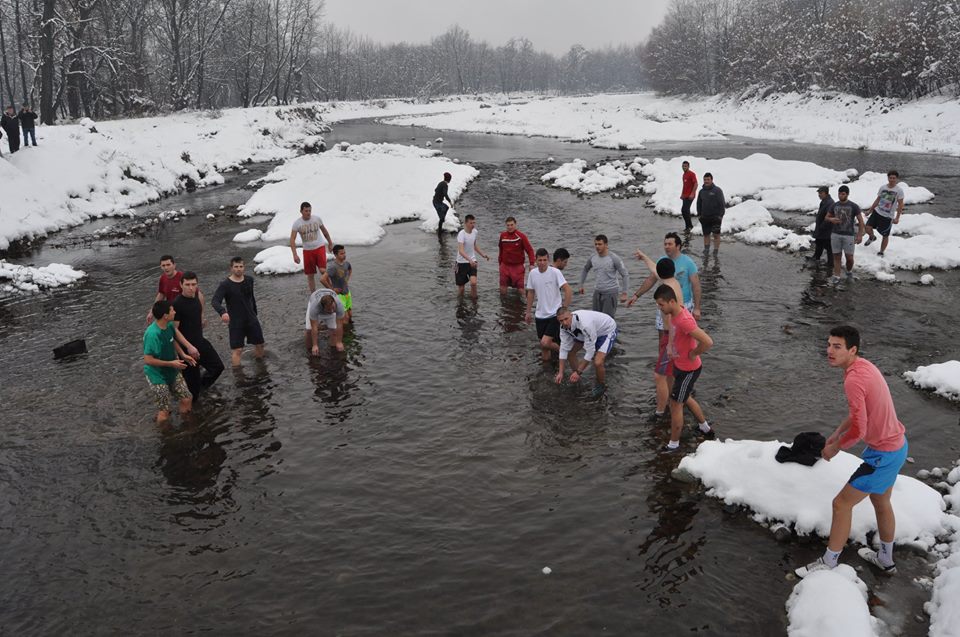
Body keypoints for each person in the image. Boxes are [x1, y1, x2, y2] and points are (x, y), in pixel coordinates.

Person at [796, 326, 908, 578]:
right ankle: (886, 561)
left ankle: (829, 562)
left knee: (841, 504)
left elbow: (860, 428)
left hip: (882, 455)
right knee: (881, 502)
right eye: (828, 345)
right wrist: (836, 433)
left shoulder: (854, 379)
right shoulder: (863, 366)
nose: (829, 351)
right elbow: (859, 414)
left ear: (852, 350)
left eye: (837, 347)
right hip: (898, 446)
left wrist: (835, 448)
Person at [654, 285, 715, 451]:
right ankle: (705, 428)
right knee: (685, 397)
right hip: (679, 365)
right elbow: (675, 332)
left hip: (689, 369)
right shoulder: (675, 312)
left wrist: (694, 353)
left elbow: (708, 342)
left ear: (672, 301)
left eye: (661, 305)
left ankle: (674, 444)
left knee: (675, 403)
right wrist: (671, 348)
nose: (659, 308)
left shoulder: (684, 320)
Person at [628, 249, 685, 420]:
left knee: (659, 375)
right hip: (676, 335)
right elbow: (655, 269)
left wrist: (669, 344)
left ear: (661, 273)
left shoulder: (667, 289)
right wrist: (645, 257)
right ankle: (670, 403)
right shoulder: (672, 282)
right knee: (668, 374)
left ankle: (660, 412)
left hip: (671, 336)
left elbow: (671, 321)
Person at [173, 272, 224, 402]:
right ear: (181, 285)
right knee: (193, 391)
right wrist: (188, 348)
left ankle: (202, 387)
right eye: (187, 285)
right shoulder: (177, 304)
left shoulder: (196, 295)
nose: (191, 288)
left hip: (200, 342)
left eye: (194, 284)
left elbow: (200, 305)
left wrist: (201, 318)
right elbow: (173, 330)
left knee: (218, 367)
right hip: (187, 349)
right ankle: (192, 408)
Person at [143, 300, 194, 423]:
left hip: (172, 370)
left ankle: (186, 424)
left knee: (187, 398)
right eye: (172, 310)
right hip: (157, 375)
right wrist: (171, 363)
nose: (175, 311)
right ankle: (164, 435)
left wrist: (183, 354)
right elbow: (148, 360)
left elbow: (172, 339)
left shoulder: (169, 325)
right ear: (165, 316)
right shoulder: (152, 334)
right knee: (165, 411)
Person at [211, 256, 265, 366]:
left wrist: (254, 313)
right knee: (237, 350)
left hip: (251, 319)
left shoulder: (249, 280)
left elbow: (252, 298)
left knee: (259, 344)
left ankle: (261, 369)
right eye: (236, 267)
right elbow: (215, 301)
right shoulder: (225, 285)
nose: (239, 269)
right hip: (236, 322)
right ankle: (238, 375)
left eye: (241, 266)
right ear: (231, 268)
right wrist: (223, 312)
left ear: (244, 267)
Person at [555, 307, 618, 398]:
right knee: (570, 353)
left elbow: (590, 352)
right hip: (584, 333)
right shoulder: (563, 328)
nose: (564, 323)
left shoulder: (585, 324)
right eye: (561, 321)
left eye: (566, 319)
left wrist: (580, 371)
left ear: (571, 315)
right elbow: (564, 348)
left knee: (598, 362)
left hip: (606, 330)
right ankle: (576, 376)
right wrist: (561, 372)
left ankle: (601, 385)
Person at [525, 248, 573, 360]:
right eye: (540, 260)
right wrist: (528, 312)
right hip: (540, 315)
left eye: (544, 260)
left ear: (548, 260)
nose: (542, 263)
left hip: (554, 314)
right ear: (536, 261)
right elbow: (531, 293)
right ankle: (546, 371)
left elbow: (568, 290)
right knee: (544, 348)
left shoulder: (555, 272)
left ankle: (566, 353)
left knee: (545, 343)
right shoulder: (533, 273)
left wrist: (564, 309)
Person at [579, 235, 629, 318]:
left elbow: (625, 275)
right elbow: (585, 269)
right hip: (597, 293)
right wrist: (581, 285)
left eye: (600, 244)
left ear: (606, 245)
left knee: (607, 320)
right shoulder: (593, 257)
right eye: (596, 244)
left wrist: (624, 293)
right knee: (596, 319)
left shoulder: (614, 258)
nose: (597, 246)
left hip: (610, 293)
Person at [146, 254, 204, 323]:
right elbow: (161, 294)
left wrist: (201, 314)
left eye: (168, 265)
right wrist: (152, 311)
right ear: (161, 267)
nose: (166, 268)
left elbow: (199, 295)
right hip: (171, 314)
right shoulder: (163, 278)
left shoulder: (183, 278)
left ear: (174, 265)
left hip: (184, 314)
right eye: (163, 265)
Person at [290, 201, 333, 293]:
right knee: (310, 275)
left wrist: (330, 243)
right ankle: (313, 295)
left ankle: (331, 290)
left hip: (319, 247)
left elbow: (325, 232)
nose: (308, 213)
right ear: (301, 211)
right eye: (306, 211)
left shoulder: (316, 219)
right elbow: (292, 239)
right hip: (307, 251)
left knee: (322, 270)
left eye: (309, 210)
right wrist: (295, 254)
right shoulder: (297, 223)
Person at [826, 185, 865, 285]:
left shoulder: (853, 206)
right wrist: (831, 219)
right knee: (837, 256)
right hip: (835, 234)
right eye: (839, 193)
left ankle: (849, 272)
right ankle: (837, 276)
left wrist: (860, 235)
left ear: (847, 194)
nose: (840, 196)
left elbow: (860, 220)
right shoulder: (834, 205)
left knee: (850, 258)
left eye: (843, 194)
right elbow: (826, 217)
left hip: (849, 235)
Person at [863, 171, 905, 258]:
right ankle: (872, 237)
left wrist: (897, 218)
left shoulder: (899, 190)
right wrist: (870, 210)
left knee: (885, 235)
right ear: (888, 178)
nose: (892, 180)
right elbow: (878, 199)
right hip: (877, 212)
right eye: (890, 178)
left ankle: (881, 251)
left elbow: (900, 205)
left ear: (897, 179)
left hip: (887, 216)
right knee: (867, 228)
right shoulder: (883, 187)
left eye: (894, 178)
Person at [498, 216, 535, 294]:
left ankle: (524, 304)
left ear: (515, 224)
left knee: (521, 289)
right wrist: (500, 264)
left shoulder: (521, 236)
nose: (510, 227)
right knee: (502, 288)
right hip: (505, 266)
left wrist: (531, 264)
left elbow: (530, 250)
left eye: (511, 225)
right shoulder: (503, 236)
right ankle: (503, 305)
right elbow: (501, 250)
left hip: (518, 267)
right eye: (508, 225)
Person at [456, 214, 490, 298]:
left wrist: (483, 254)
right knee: (461, 288)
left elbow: (474, 246)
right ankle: (460, 303)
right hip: (461, 262)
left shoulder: (475, 232)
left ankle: (474, 302)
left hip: (472, 261)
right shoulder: (461, 234)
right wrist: (469, 260)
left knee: (473, 283)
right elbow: (461, 251)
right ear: (466, 223)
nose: (473, 225)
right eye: (471, 223)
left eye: (474, 223)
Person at [304, 287, 345, 354]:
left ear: (334, 302)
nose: (332, 311)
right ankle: (309, 351)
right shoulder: (314, 308)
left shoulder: (339, 305)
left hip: (329, 301)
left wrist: (339, 342)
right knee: (309, 330)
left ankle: (334, 352)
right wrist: (315, 345)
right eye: (329, 309)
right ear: (322, 307)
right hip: (314, 300)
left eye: (333, 308)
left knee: (334, 330)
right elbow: (314, 327)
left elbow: (340, 325)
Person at [696, 173, 726, 253]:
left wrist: (720, 216)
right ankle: (706, 249)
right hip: (704, 217)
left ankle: (715, 250)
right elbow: (698, 204)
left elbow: (722, 204)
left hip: (715, 218)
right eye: (705, 180)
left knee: (716, 235)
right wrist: (699, 215)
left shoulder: (717, 190)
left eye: (708, 179)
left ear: (712, 180)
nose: (706, 181)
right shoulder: (701, 192)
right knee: (706, 235)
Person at [326, 244, 353, 323]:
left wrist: (347, 279)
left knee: (350, 315)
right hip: (339, 295)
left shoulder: (346, 264)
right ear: (335, 255)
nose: (344, 255)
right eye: (341, 254)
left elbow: (350, 269)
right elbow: (323, 279)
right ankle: (344, 334)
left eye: (344, 253)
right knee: (345, 318)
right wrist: (332, 289)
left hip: (347, 293)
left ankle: (348, 332)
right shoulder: (333, 267)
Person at [811, 186, 834, 264]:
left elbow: (829, 216)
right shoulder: (823, 201)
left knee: (828, 246)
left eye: (821, 193)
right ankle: (816, 258)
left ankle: (831, 263)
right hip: (821, 228)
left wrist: (822, 227)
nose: (819, 195)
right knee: (819, 243)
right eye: (818, 193)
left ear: (826, 193)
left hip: (826, 229)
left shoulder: (830, 203)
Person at [680, 160, 698, 231]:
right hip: (685, 195)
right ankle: (688, 226)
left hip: (690, 195)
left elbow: (696, 184)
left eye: (685, 166)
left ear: (688, 166)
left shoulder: (691, 174)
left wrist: (692, 193)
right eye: (683, 166)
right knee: (684, 211)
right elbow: (684, 185)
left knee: (685, 210)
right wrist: (682, 194)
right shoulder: (684, 175)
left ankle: (689, 226)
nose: (684, 167)